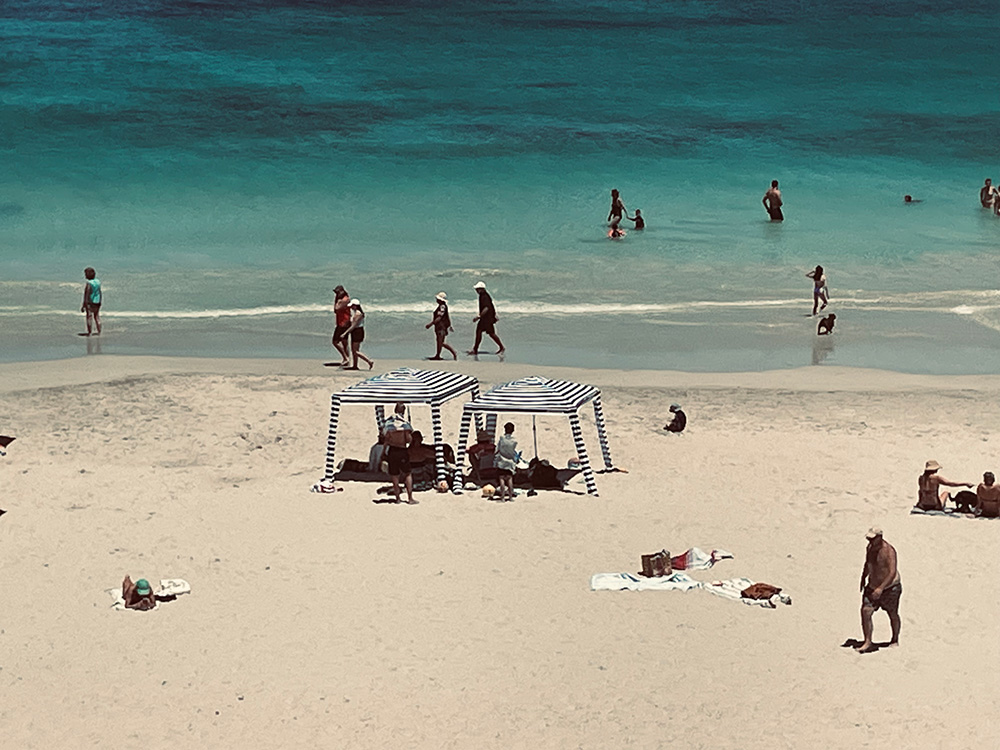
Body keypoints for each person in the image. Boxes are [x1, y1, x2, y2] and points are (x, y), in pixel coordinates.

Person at [855, 528, 901, 653]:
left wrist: (881, 588)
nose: (869, 541)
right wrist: (863, 577)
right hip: (872, 586)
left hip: (890, 588)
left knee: (892, 613)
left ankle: (895, 639)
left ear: (879, 538)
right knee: (866, 611)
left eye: (872, 539)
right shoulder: (870, 548)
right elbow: (868, 563)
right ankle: (867, 641)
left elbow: (892, 572)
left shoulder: (889, 551)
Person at [382, 402, 416, 504]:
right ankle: (410, 498)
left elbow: (386, 440)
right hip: (402, 450)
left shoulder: (389, 423)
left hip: (392, 451)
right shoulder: (405, 424)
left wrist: (383, 452)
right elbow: (408, 439)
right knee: (407, 474)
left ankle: (397, 498)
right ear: (403, 411)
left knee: (394, 475)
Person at [469, 282, 504, 355]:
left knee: (483, 332)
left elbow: (486, 308)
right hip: (488, 318)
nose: (476, 291)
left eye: (477, 289)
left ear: (481, 289)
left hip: (486, 319)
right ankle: (501, 347)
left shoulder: (484, 297)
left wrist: (479, 316)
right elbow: (491, 306)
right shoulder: (484, 295)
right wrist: (494, 315)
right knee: (489, 333)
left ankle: (475, 350)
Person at [342, 299, 374, 370]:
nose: (351, 307)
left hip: (358, 332)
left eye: (352, 306)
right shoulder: (355, 313)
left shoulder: (358, 314)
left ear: (355, 306)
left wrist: (345, 333)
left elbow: (354, 325)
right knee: (354, 350)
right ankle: (355, 365)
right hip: (355, 331)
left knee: (355, 351)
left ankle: (369, 361)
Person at [426, 292, 457, 360]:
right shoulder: (442, 306)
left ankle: (453, 352)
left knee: (441, 342)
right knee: (439, 341)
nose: (436, 300)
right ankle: (438, 355)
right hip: (441, 326)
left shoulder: (442, 307)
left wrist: (430, 324)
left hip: (441, 326)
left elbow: (439, 317)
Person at [494, 422, 518, 502]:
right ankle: (510, 497)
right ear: (513, 430)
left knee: (502, 480)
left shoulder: (502, 439)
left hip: (502, 461)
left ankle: (503, 497)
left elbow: (497, 450)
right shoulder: (514, 441)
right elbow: (514, 450)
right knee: (510, 479)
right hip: (510, 462)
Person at [331, 285, 352, 366]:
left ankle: (346, 357)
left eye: (337, 292)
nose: (336, 294)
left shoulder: (344, 300)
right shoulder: (344, 299)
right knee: (344, 342)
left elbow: (336, 308)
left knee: (335, 341)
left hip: (343, 323)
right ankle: (347, 359)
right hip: (343, 321)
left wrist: (337, 300)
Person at [81, 267, 102, 336]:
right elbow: (99, 292)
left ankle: (90, 332)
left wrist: (84, 304)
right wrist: (100, 301)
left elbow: (87, 294)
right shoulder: (98, 282)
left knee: (89, 317)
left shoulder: (89, 283)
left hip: (90, 302)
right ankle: (99, 331)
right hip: (97, 301)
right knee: (97, 317)